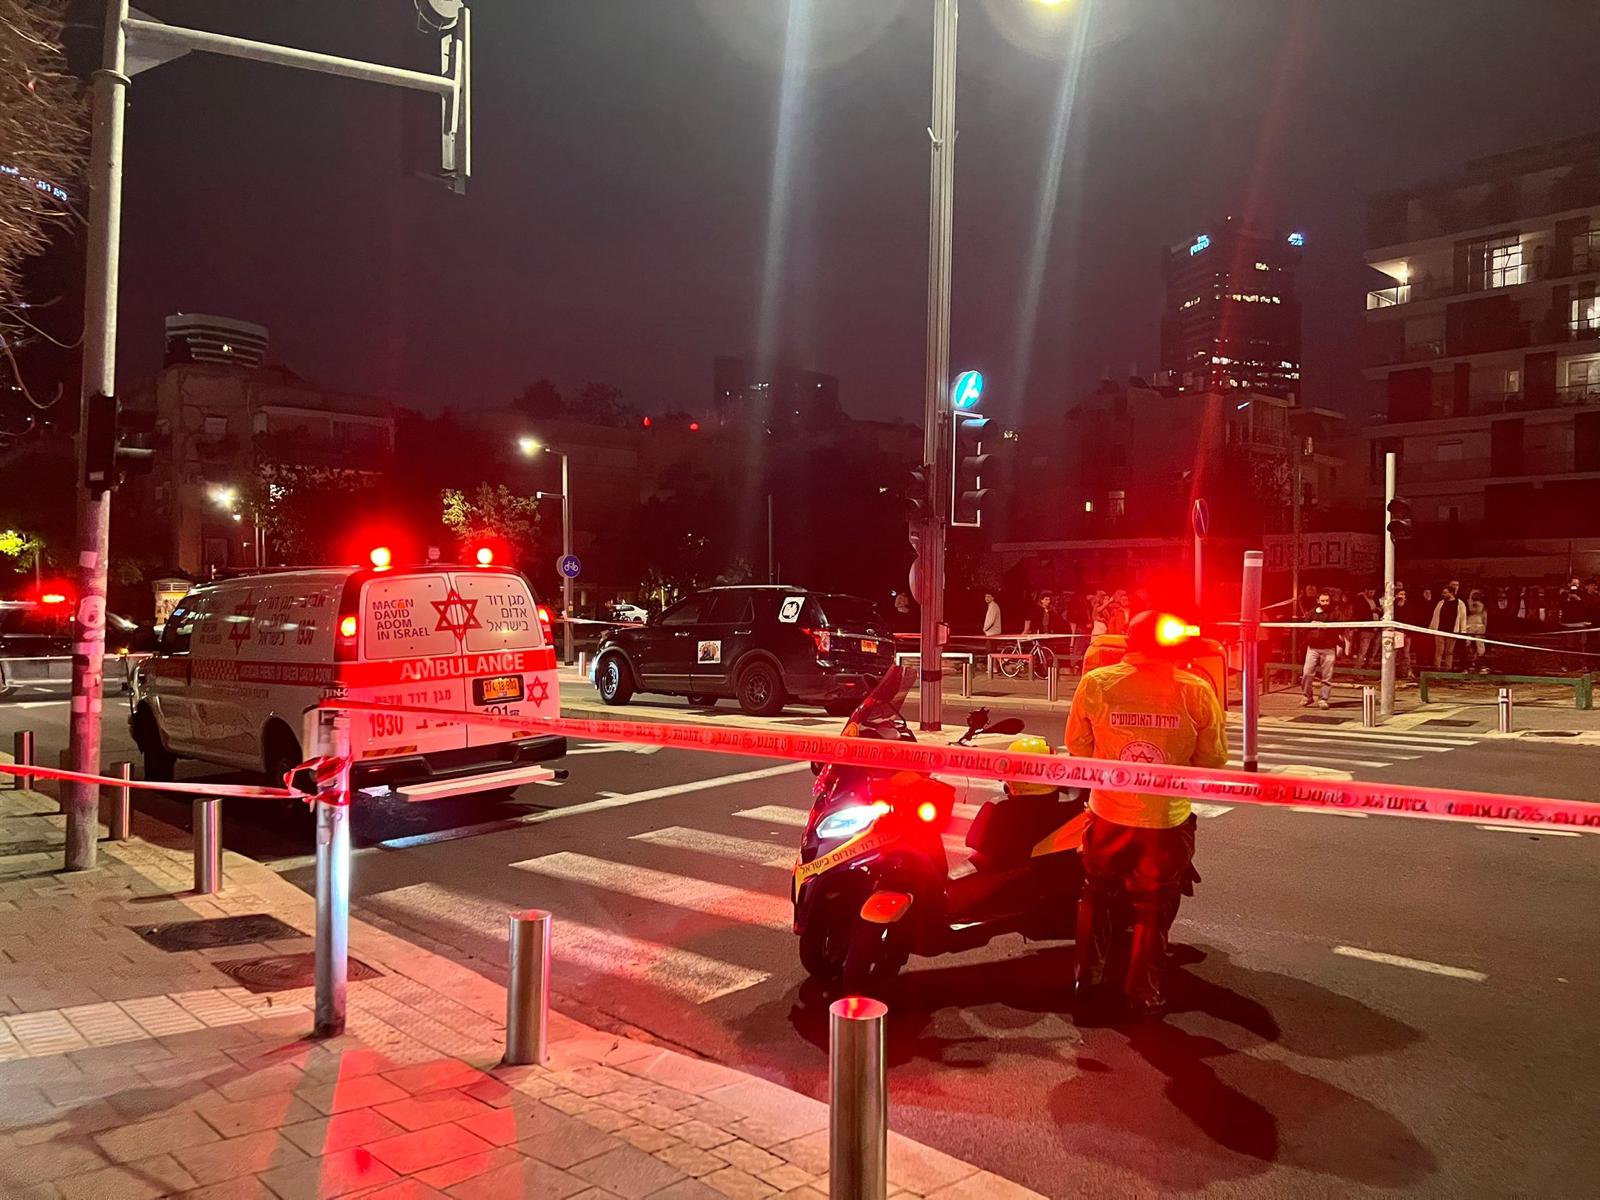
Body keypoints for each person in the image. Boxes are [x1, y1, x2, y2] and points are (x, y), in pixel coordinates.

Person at [1065, 610, 1227, 1019]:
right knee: (1153, 908)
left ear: (1128, 641)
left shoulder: (1097, 682)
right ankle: (1143, 993)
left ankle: (1085, 978)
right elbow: (1213, 758)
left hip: (1107, 813)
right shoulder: (1196, 689)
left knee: (1095, 893)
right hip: (1165, 821)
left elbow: (1078, 746)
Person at [1301, 591, 1340, 708]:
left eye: (1327, 600)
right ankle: (1307, 697)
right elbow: (1303, 628)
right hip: (1312, 648)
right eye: (1323, 601)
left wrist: (1325, 627)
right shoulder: (1311, 612)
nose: (1325, 603)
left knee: (1327, 676)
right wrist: (1310, 626)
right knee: (1307, 673)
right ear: (1318, 601)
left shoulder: (1335, 612)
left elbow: (1339, 628)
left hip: (1328, 648)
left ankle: (1323, 699)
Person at [1429, 585, 1467, 670]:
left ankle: (1448, 668)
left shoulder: (1460, 604)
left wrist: (1463, 631)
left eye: (1445, 593)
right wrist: (1431, 628)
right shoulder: (1441, 603)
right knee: (1439, 651)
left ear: (1451, 593)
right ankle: (1437, 668)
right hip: (1440, 630)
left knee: (1449, 651)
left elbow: (1463, 618)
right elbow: (1435, 616)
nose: (1443, 594)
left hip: (1452, 631)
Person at [1355, 586, 1382, 667]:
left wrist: (1379, 610)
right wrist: (1372, 611)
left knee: (1373, 652)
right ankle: (1358, 669)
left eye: (1373, 592)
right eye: (1370, 592)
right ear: (1366, 590)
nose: (1372, 594)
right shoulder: (1360, 600)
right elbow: (1360, 614)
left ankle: (1368, 668)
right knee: (1363, 651)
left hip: (1377, 629)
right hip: (1366, 629)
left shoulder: (1376, 600)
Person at [1464, 591, 1489, 672]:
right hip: (1469, 626)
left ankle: (1479, 661)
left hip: (1478, 626)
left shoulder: (1481, 606)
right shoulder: (1469, 606)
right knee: (1468, 643)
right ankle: (1471, 660)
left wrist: (1484, 628)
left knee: (1479, 645)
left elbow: (1484, 617)